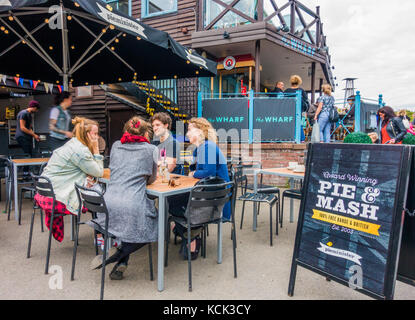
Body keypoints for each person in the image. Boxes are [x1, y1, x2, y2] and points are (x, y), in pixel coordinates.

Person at [89, 116, 158, 280]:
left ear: (126, 131)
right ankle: (120, 252)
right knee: (158, 226)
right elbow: (152, 178)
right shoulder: (150, 150)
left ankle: (122, 263)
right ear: (146, 132)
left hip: (108, 203)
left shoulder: (116, 145)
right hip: (133, 204)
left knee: (128, 228)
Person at [169, 117, 230, 260]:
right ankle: (189, 235)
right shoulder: (201, 148)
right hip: (207, 194)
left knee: (173, 202)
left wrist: (193, 172)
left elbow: (208, 172)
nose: (187, 134)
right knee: (174, 200)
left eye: (190, 129)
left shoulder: (208, 146)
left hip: (214, 200)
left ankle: (187, 233)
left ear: (201, 131)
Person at [35, 117, 104, 242]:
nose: (97, 137)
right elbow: (98, 172)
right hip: (58, 197)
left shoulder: (71, 144)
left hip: (46, 193)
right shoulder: (80, 150)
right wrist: (96, 149)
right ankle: (101, 236)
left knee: (93, 187)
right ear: (87, 134)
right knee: (101, 196)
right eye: (95, 133)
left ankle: (100, 234)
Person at [15, 100, 41, 176]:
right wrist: (33, 135)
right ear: (34, 107)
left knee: (30, 154)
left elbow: (29, 127)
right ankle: (25, 173)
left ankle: (27, 172)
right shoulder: (23, 113)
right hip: (22, 136)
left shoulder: (29, 114)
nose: (36, 111)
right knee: (27, 154)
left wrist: (35, 135)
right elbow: (22, 128)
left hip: (26, 137)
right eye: (36, 109)